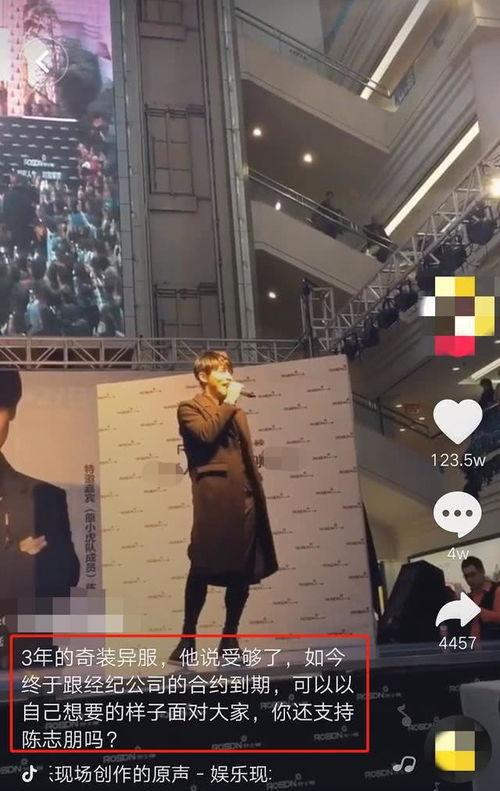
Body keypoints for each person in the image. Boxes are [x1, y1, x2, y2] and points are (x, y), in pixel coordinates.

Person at [169, 350, 278, 662]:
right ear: (203, 376)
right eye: (221, 371)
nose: (229, 376)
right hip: (214, 499)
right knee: (202, 565)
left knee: (243, 569)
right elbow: (206, 435)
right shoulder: (189, 408)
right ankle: (187, 640)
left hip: (245, 496)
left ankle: (229, 640)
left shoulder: (237, 411)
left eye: (230, 370)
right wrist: (229, 403)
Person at [0, 371, 80, 600]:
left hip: (21, 622)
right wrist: (18, 559)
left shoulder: (46, 497)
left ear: (13, 411)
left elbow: (65, 578)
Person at [461, 556, 500, 641]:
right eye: (466, 576)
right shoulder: (469, 597)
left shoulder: (496, 591)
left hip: (493, 645)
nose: (469, 579)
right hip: (472, 646)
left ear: (482, 572)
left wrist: (478, 611)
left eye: (472, 575)